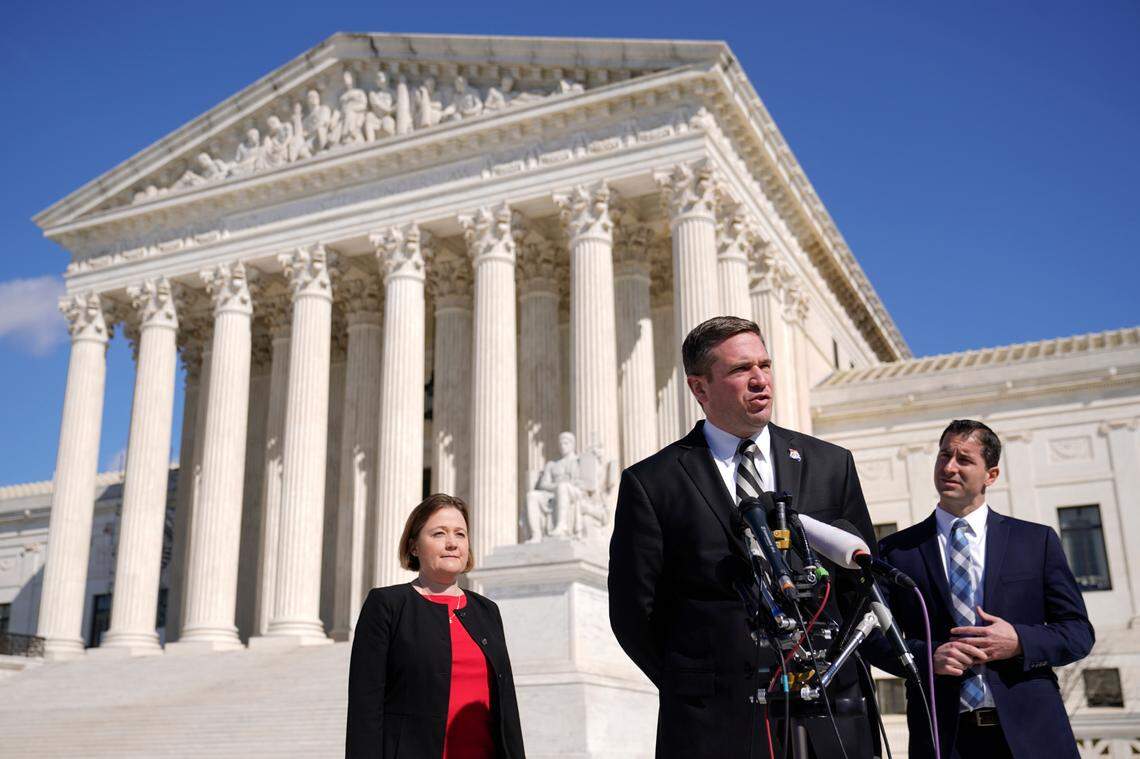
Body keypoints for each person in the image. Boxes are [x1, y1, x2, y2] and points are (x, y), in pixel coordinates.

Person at [608, 316, 879, 759]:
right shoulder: (652, 482)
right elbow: (634, 610)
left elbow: (861, 587)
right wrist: (698, 680)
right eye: (740, 370)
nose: (760, 380)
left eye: (764, 365)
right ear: (700, 388)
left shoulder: (830, 464)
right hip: (713, 723)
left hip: (828, 716)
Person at [869, 420, 1094, 759]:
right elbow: (872, 639)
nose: (948, 467)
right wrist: (927, 656)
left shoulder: (1036, 542)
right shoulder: (896, 551)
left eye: (964, 459)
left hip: (1032, 736)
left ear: (991, 475)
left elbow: (1078, 633)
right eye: (944, 455)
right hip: (944, 738)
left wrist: (1018, 641)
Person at [346, 494, 526, 759]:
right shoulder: (386, 605)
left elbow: (507, 706)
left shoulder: (487, 611)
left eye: (460, 534)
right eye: (439, 534)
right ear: (414, 546)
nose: (452, 543)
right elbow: (365, 708)